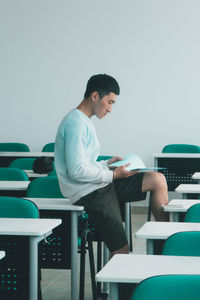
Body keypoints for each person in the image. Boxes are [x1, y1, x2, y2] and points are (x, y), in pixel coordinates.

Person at [54, 74, 169, 258]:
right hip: (90, 193)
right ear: (94, 96)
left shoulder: (83, 121)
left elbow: (84, 163)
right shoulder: (76, 123)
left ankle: (167, 244)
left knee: (157, 180)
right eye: (110, 102)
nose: (110, 109)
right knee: (122, 251)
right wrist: (114, 176)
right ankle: (122, 285)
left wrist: (106, 164)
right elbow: (76, 171)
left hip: (99, 185)